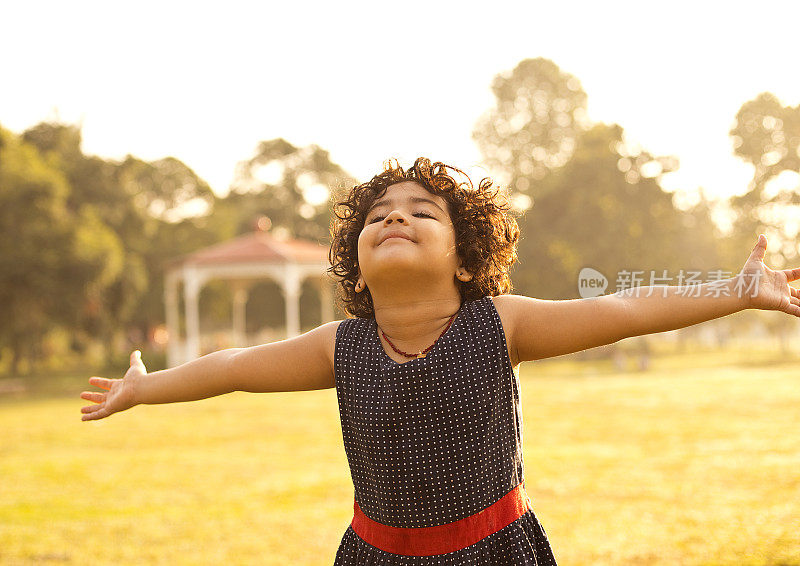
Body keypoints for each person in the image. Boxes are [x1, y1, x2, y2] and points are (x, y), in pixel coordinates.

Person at [80, 158, 800, 565]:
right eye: (377, 215)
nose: (395, 216)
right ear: (356, 270)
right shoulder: (343, 347)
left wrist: (735, 292)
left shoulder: (499, 325)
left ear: (466, 259)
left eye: (422, 212)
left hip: (494, 553)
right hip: (373, 558)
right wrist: (147, 388)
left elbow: (622, 312)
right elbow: (235, 366)